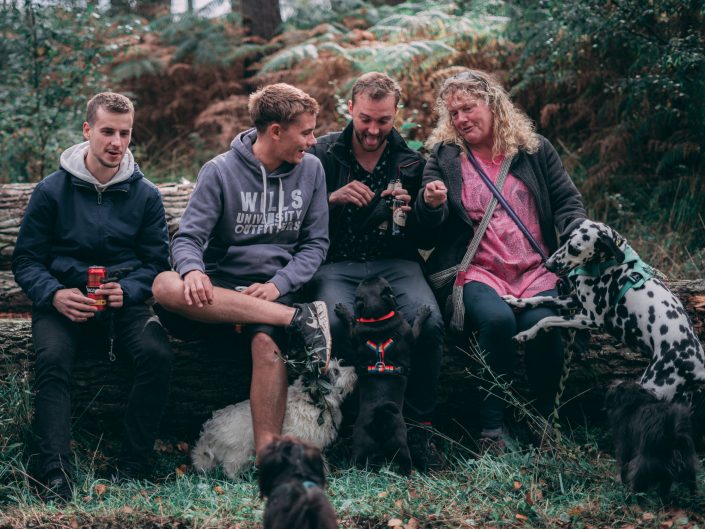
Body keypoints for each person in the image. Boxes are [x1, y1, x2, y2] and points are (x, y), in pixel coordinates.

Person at [151, 83, 331, 464]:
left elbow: (315, 244)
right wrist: (194, 270)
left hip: (271, 290)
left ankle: (268, 455)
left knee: (266, 347)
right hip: (217, 296)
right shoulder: (219, 171)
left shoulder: (312, 170)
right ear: (276, 131)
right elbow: (187, 238)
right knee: (165, 284)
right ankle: (298, 320)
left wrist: (277, 285)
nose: (313, 141)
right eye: (306, 131)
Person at [12, 92, 174, 501]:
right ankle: (54, 473)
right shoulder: (51, 191)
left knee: (157, 354)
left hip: (124, 303)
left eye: (125, 133)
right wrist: (54, 294)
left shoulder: (146, 194)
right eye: (107, 132)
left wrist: (131, 290)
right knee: (51, 361)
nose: (116, 143)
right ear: (87, 131)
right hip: (64, 302)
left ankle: (133, 465)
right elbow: (27, 260)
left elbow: (157, 262)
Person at [416, 69, 587, 454]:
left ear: (493, 104)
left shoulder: (534, 149)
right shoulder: (443, 158)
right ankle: (492, 430)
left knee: (544, 325)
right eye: (453, 112)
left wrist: (577, 232)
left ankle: (545, 425)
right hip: (477, 270)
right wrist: (430, 206)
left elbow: (567, 202)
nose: (461, 119)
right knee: (496, 321)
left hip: (534, 270)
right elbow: (425, 235)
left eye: (468, 108)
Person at [308, 72, 445, 470]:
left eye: (383, 121)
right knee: (334, 325)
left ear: (395, 114)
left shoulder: (410, 161)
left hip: (396, 265)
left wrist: (421, 208)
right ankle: (355, 425)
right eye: (366, 118)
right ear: (350, 109)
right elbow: (294, 214)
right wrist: (331, 199)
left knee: (431, 323)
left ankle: (418, 427)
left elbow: (427, 233)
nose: (373, 130)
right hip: (336, 264)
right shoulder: (321, 152)